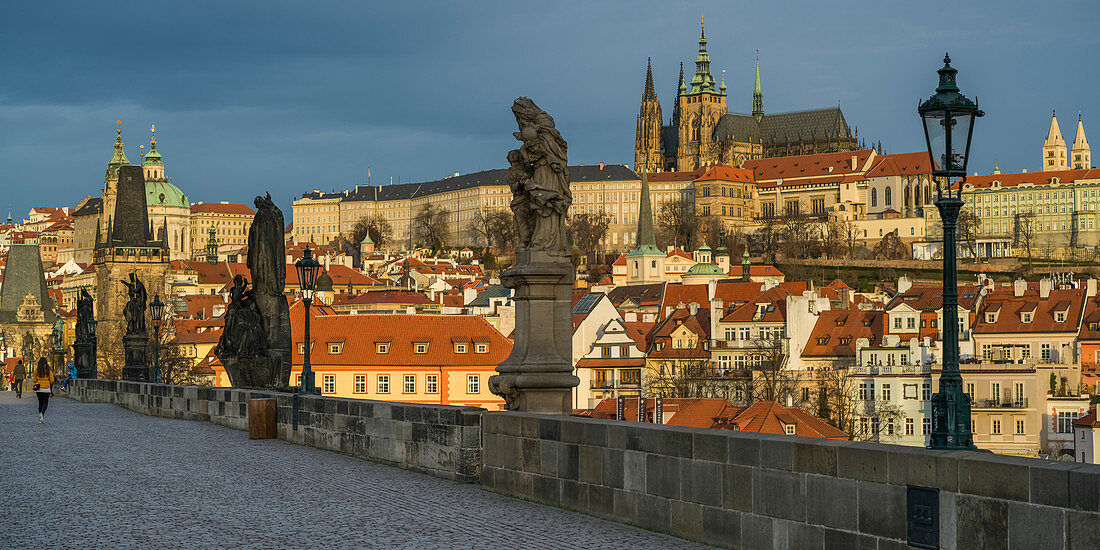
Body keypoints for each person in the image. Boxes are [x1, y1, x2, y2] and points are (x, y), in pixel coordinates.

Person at [32, 358, 55, 423]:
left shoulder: (37, 370)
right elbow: (52, 380)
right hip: (46, 388)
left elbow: (34, 380)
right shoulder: (48, 370)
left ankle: (40, 417)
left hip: (39, 388)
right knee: (45, 403)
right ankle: (42, 413)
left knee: (40, 403)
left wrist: (39, 380)